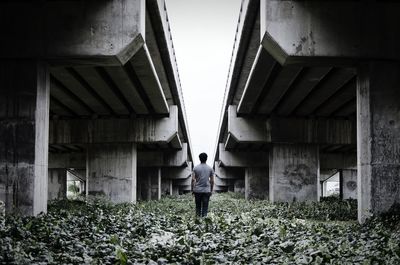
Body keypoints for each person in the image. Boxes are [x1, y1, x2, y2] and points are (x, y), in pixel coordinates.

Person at [192, 152, 214, 217]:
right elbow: (212, 181)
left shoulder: (195, 168)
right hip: (206, 190)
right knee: (205, 207)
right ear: (206, 159)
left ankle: (197, 223)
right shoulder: (210, 169)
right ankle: (204, 223)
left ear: (199, 159)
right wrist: (211, 190)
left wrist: (192, 189)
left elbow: (193, 180)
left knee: (198, 207)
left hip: (197, 190)